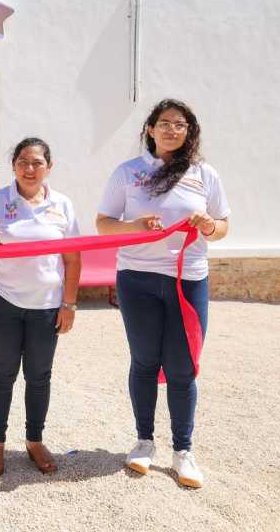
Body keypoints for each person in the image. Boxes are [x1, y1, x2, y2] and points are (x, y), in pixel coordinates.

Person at [96, 98, 230, 488]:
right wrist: (134, 226)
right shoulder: (128, 172)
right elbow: (104, 224)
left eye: (181, 125)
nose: (172, 130)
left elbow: (223, 227)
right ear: (150, 129)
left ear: (189, 132)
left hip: (188, 280)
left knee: (182, 367)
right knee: (144, 360)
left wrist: (208, 227)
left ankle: (183, 451)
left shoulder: (203, 173)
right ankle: (143, 442)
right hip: (137, 279)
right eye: (165, 123)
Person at [0, 138, 81, 476]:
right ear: (13, 166)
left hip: (48, 306)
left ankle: (34, 441)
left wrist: (69, 303)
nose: (29, 168)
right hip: (3, 302)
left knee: (39, 376)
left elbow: (73, 257)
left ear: (49, 168)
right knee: (3, 373)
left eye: (37, 162)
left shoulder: (63, 205)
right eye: (23, 161)